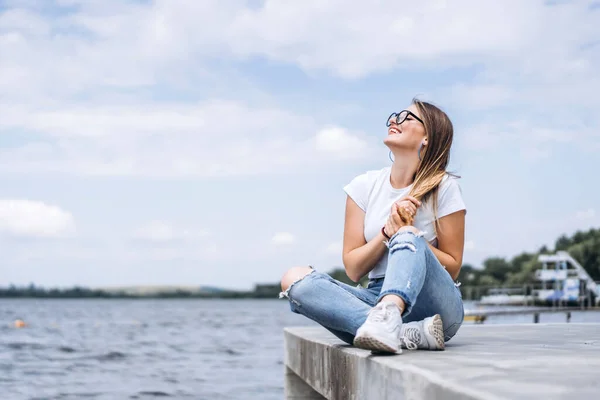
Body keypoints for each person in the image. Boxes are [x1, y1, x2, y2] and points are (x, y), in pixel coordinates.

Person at [279, 98, 466, 354]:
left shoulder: (444, 187)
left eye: (407, 118)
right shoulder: (363, 186)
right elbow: (354, 269)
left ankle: (389, 319)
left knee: (408, 235)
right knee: (295, 280)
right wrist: (386, 233)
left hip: (434, 303)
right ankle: (403, 332)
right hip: (376, 295)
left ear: (427, 138)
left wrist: (406, 233)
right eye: (394, 116)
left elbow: (453, 267)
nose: (393, 121)